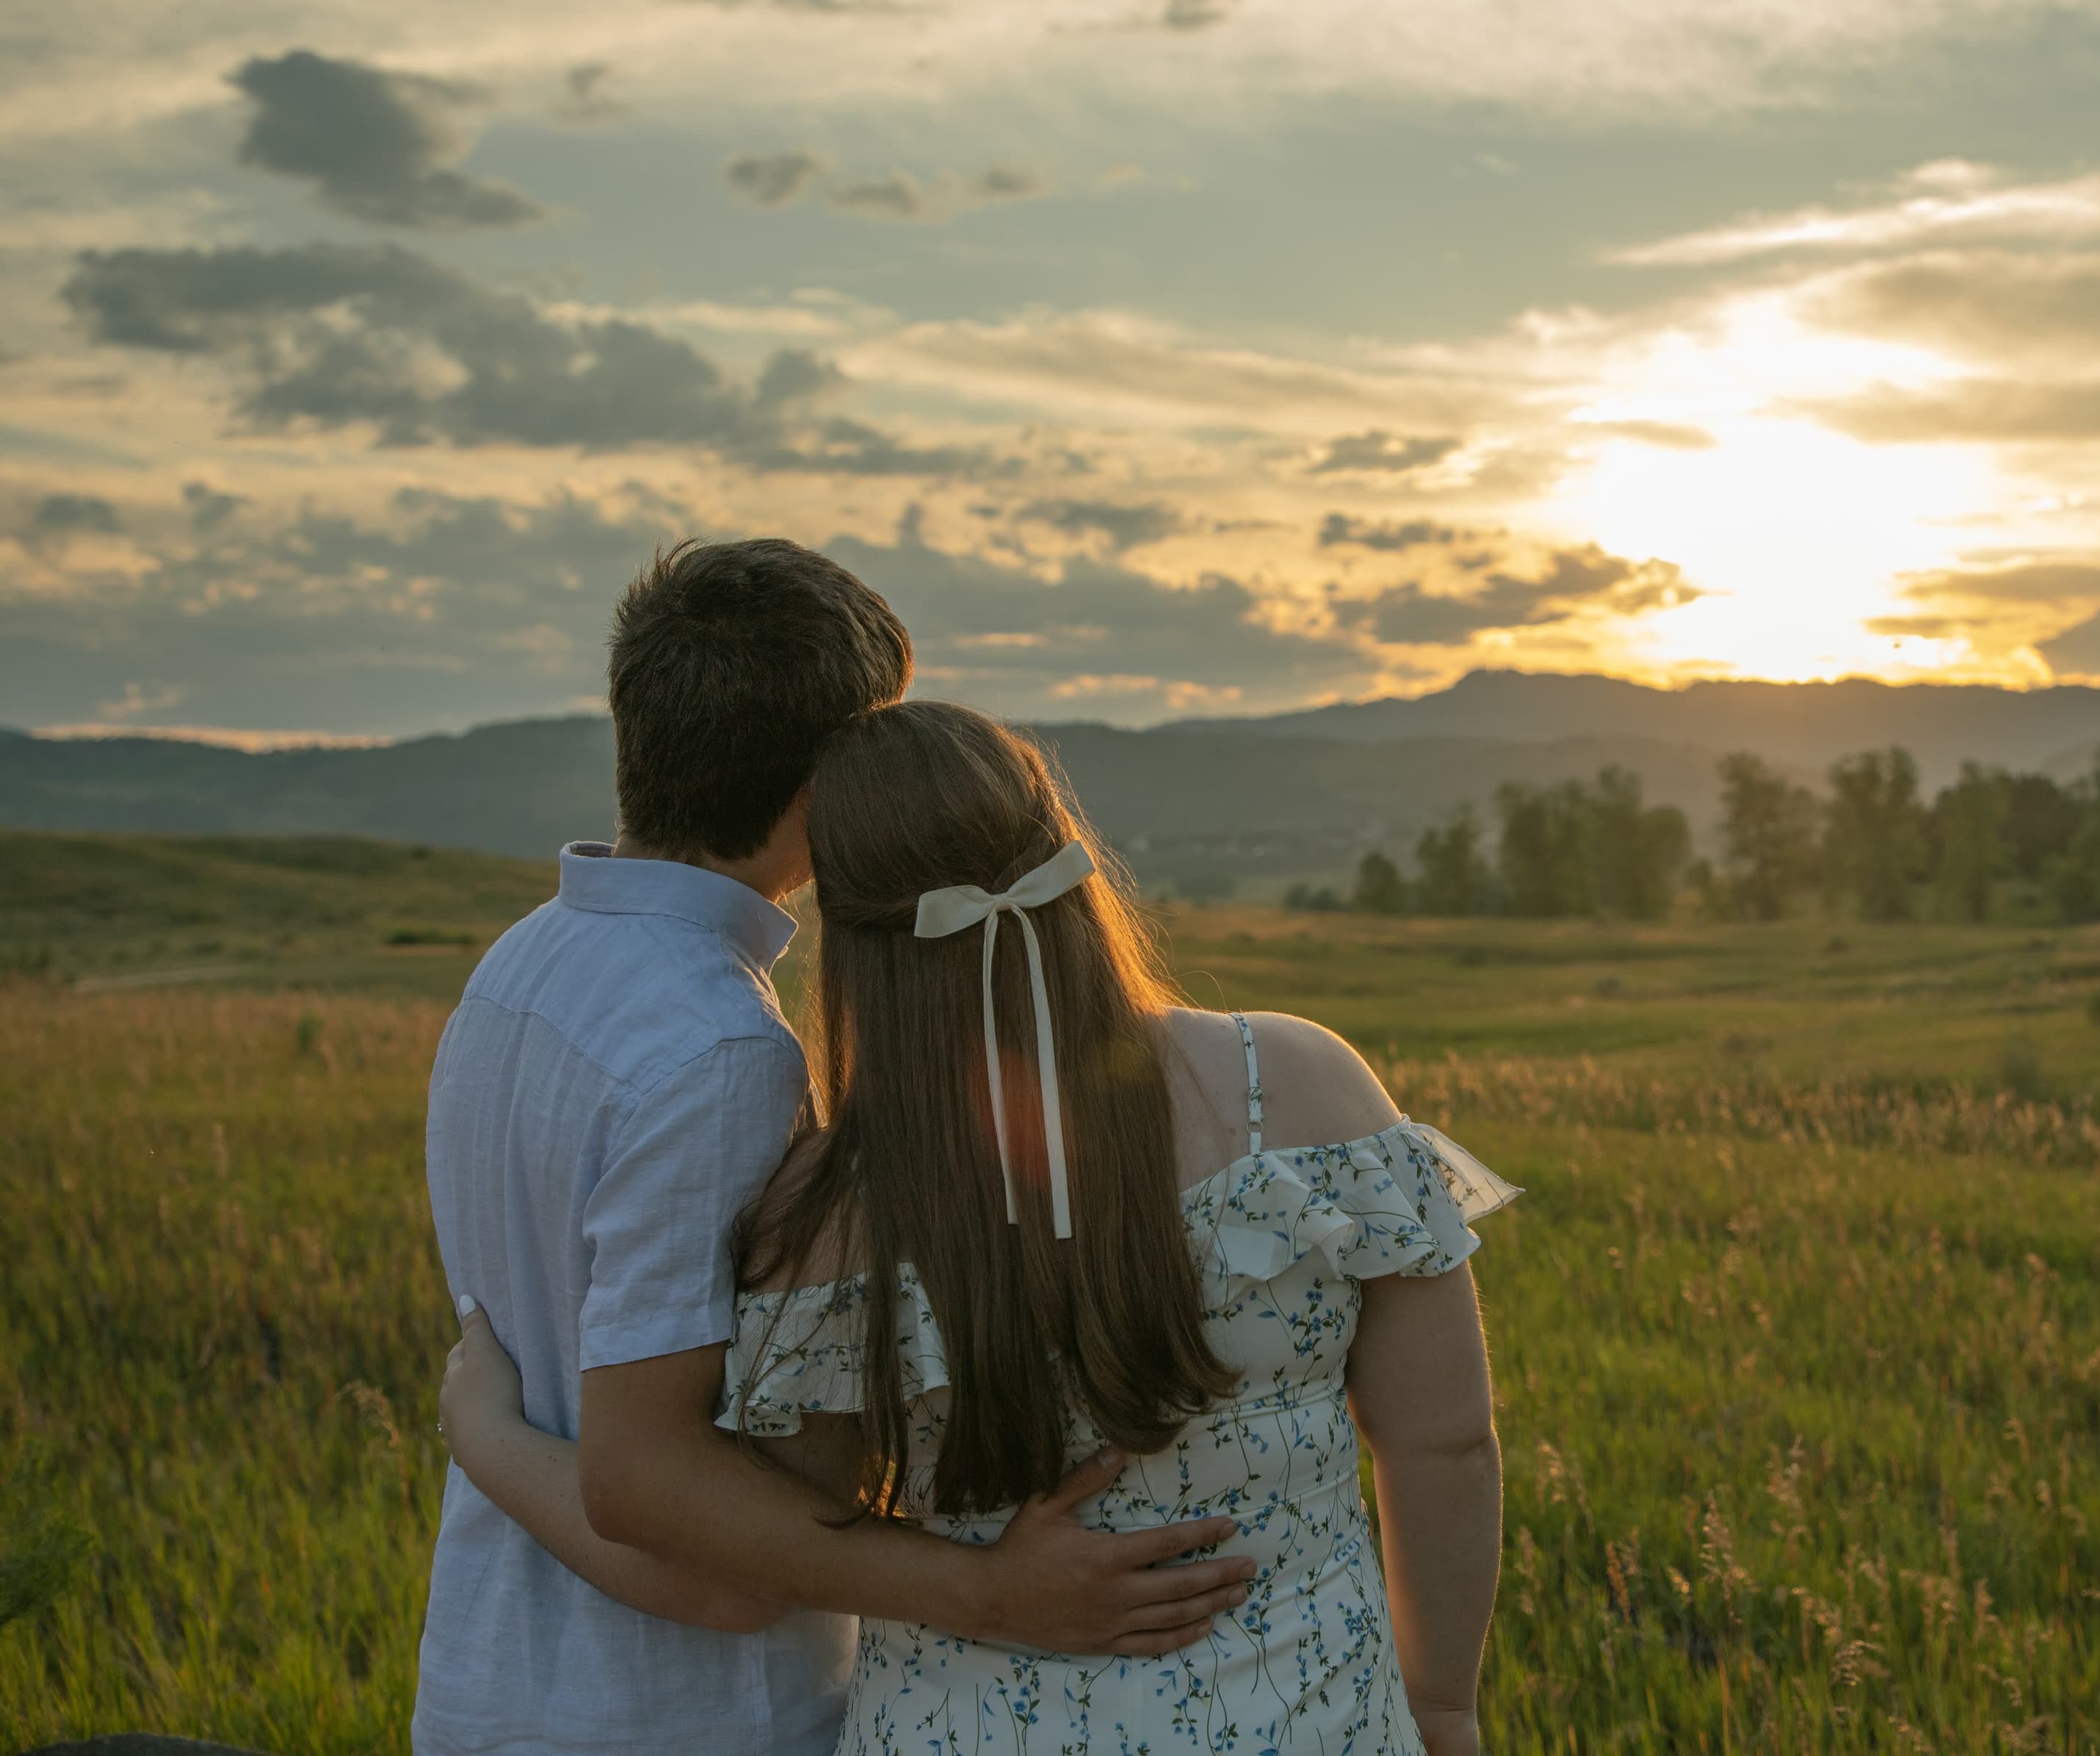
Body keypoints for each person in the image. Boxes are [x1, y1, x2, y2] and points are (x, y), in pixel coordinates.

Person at [438, 696, 1514, 1755]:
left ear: (854, 943)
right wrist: (1442, 1709)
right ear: (1066, 857)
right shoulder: (1305, 1085)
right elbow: (1448, 1442)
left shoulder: (827, 1218)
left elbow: (772, 1544)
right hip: (1315, 1722)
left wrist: (492, 1440)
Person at [416, 544, 1255, 1756]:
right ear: (828, 788)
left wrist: (488, 1434)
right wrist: (993, 1594)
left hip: (489, 1689)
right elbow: (675, 1515)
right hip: (681, 1717)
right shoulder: (717, 1052)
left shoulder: (520, 964)